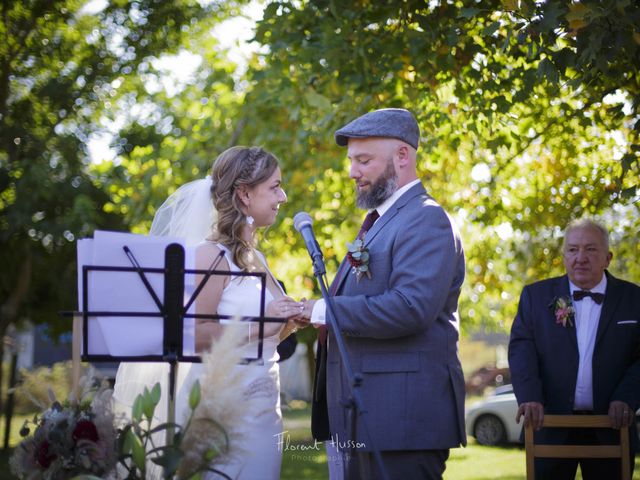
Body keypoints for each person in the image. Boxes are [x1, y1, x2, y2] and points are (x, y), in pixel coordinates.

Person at [114, 146, 307, 479]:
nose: (284, 196)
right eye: (274, 186)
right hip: (226, 409)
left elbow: (270, 331)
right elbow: (195, 335)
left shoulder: (256, 259)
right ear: (244, 194)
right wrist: (266, 322)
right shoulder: (212, 257)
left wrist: (290, 320)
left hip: (265, 406)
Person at [300, 108, 466, 480]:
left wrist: (321, 311)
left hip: (402, 419)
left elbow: (410, 308)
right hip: (363, 418)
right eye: (351, 161)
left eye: (364, 160)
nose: (352, 172)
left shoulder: (425, 218)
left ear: (402, 156)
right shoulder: (382, 222)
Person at [508, 218, 640, 479]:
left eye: (591, 249)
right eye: (572, 249)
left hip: (612, 429)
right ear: (564, 255)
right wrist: (530, 396)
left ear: (608, 257)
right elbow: (522, 349)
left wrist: (626, 397)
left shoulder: (633, 299)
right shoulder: (535, 297)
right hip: (549, 424)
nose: (580, 257)